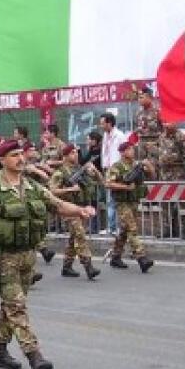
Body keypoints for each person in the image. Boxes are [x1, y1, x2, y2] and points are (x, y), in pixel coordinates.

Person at [0, 140, 95, 369]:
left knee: (11, 305)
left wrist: (80, 210)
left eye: (21, 154)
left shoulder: (32, 187)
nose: (20, 158)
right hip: (2, 257)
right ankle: (35, 355)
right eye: (14, 155)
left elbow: (56, 205)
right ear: (2, 160)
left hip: (27, 255)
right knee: (17, 305)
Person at [49, 145, 102, 280]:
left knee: (74, 237)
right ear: (65, 156)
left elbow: (100, 181)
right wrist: (71, 190)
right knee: (80, 235)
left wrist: (94, 171)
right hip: (68, 209)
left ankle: (66, 267)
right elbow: (52, 191)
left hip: (81, 208)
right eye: (72, 153)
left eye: (76, 152)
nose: (76, 155)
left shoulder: (80, 170)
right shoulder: (60, 173)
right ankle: (88, 266)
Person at [104, 140, 154, 272]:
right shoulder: (117, 167)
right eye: (130, 149)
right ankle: (141, 257)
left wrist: (149, 166)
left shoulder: (136, 165)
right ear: (123, 152)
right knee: (132, 228)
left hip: (133, 201)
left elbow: (152, 175)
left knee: (125, 230)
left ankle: (115, 257)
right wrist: (125, 187)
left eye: (133, 149)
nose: (132, 151)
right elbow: (108, 183)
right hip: (122, 203)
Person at [98, 113, 122, 233]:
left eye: (102, 123)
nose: (101, 125)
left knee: (115, 200)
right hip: (107, 170)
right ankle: (111, 227)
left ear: (109, 123)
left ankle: (116, 227)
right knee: (109, 200)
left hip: (116, 170)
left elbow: (120, 155)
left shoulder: (119, 136)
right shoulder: (105, 136)